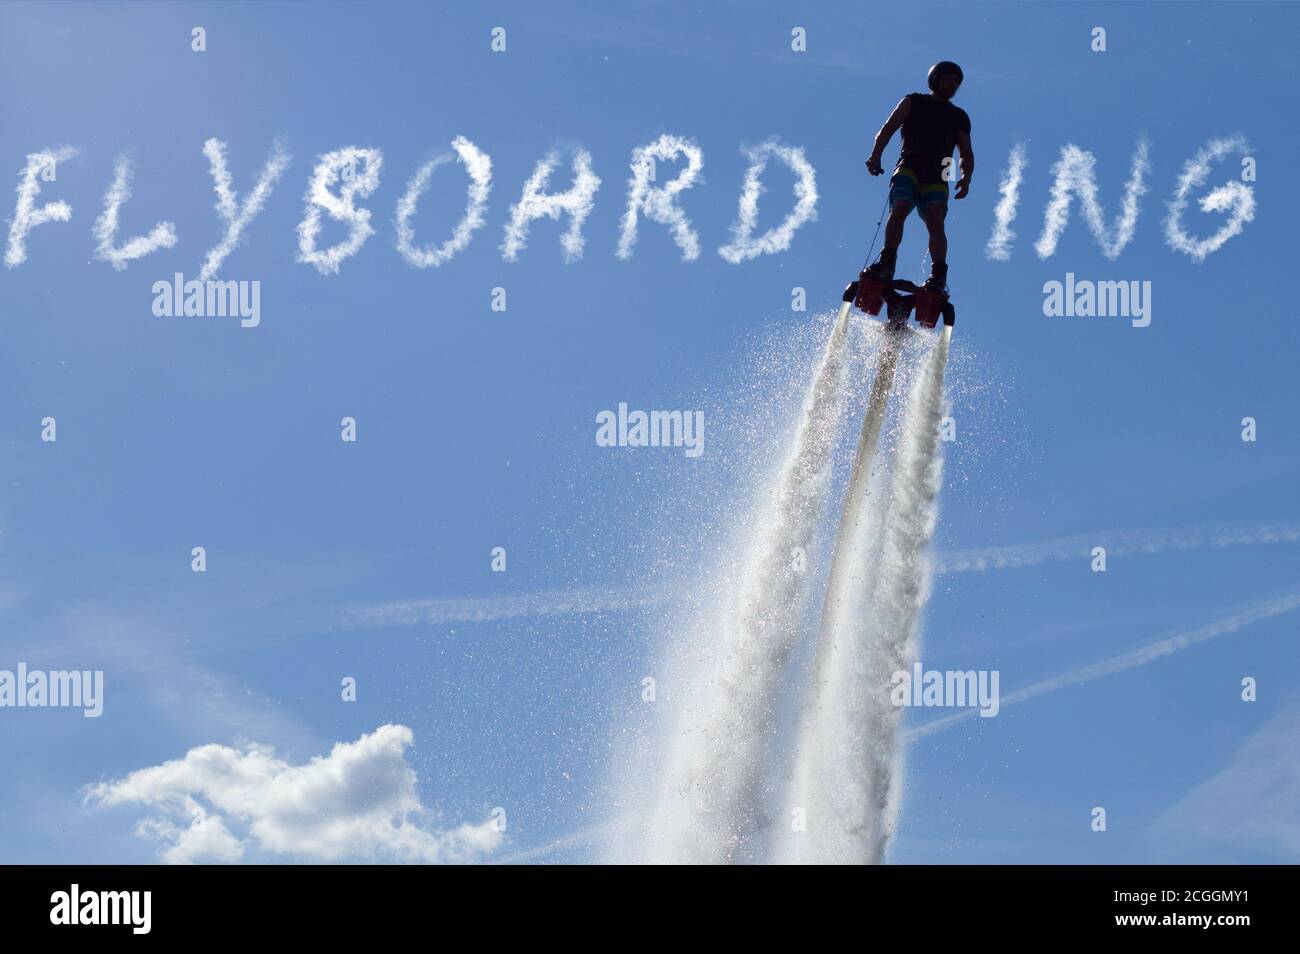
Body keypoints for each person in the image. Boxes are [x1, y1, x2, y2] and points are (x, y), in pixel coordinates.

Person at [864, 61, 973, 294]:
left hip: (940, 176)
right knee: (900, 206)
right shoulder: (913, 101)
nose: (953, 85)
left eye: (957, 83)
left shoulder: (959, 116)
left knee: (936, 220)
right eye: (949, 79)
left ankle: (938, 276)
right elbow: (888, 127)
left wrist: (966, 177)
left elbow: (966, 151)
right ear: (935, 79)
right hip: (909, 167)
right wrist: (875, 155)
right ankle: (886, 263)